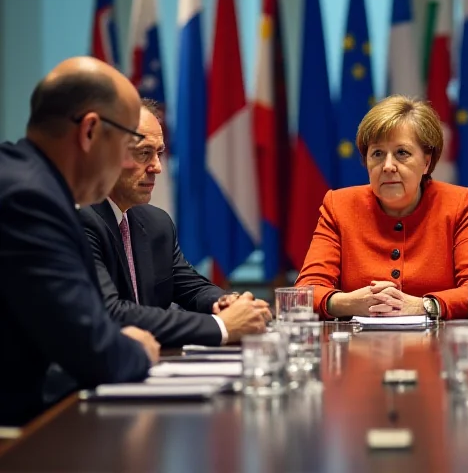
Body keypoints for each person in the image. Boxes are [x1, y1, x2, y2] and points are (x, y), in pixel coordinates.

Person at [0, 57, 159, 426]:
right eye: (126, 143)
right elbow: (92, 350)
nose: (125, 160)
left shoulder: (23, 179)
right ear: (89, 131)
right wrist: (138, 349)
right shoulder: (30, 201)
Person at [79, 101, 271, 347]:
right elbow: (112, 313)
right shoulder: (80, 219)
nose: (157, 167)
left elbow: (191, 287)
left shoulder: (155, 222)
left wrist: (226, 303)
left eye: (158, 153)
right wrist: (222, 326)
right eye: (143, 153)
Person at [295, 95, 468, 320]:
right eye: (377, 154)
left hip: (437, 349)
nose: (388, 166)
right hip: (359, 349)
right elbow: (305, 292)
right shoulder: (339, 206)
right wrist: (350, 302)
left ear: (426, 162)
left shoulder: (458, 203)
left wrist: (425, 305)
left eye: (402, 153)